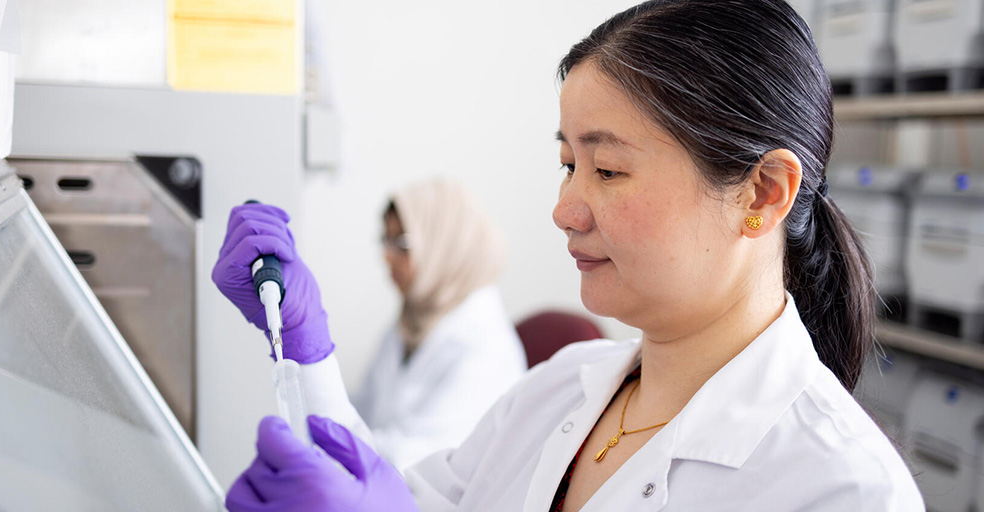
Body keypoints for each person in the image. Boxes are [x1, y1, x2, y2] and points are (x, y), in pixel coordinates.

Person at [213, 0, 925, 510]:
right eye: (566, 165)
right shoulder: (561, 388)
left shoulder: (842, 488)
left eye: (607, 170)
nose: (564, 209)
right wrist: (303, 356)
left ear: (763, 193)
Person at [353, 179, 526, 471]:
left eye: (402, 243)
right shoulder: (413, 318)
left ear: (447, 244)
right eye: (386, 240)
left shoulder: (485, 346)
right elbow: (363, 409)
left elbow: (423, 462)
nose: (387, 256)